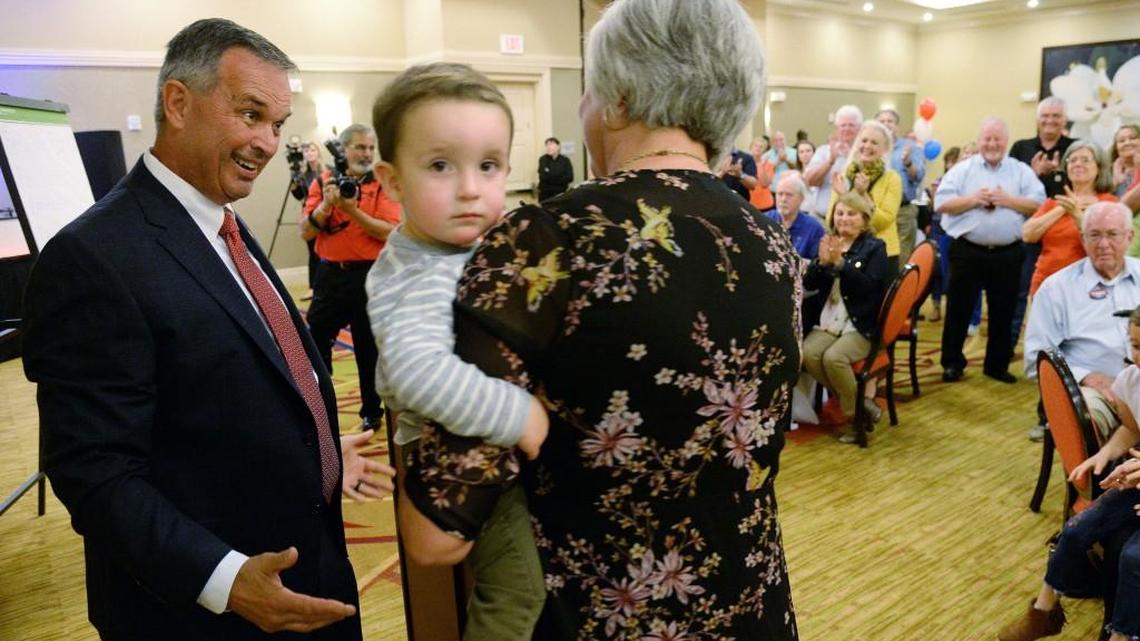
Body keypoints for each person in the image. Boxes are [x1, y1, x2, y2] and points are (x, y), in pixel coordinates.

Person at [398, 0, 800, 637]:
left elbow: (435, 534)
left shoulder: (545, 239)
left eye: (587, 92)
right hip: (747, 604)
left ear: (616, 100)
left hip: (599, 616)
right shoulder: (771, 240)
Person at [20, 18, 394, 640]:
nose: (269, 143)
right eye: (250, 115)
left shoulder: (220, 218)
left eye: (277, 124)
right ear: (178, 102)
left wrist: (319, 450)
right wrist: (222, 579)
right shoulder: (91, 259)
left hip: (306, 562)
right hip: (206, 611)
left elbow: (231, 379)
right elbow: (96, 474)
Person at [366, 62, 550, 640]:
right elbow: (418, 373)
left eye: (489, 166)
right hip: (453, 455)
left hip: (468, 448)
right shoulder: (426, 274)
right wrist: (517, 414)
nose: (471, 188)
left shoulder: (443, 249)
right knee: (518, 591)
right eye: (441, 166)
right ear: (392, 182)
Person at [998, 306, 1140, 641]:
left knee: (1134, 558)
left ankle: (1121, 636)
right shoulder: (1130, 380)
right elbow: (1131, 430)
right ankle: (1043, 612)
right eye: (1135, 345)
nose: (1139, 356)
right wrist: (1104, 454)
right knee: (1077, 530)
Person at [301, 124, 401, 432]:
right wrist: (328, 205)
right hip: (330, 274)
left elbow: (388, 230)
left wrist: (352, 210)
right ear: (343, 150)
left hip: (370, 277)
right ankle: (321, 400)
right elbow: (306, 231)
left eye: (370, 148)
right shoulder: (323, 181)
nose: (366, 154)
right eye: (360, 147)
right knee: (315, 337)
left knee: (367, 347)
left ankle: (372, 411)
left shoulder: (381, 184)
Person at [936, 117, 1045, 384]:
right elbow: (941, 202)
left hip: (1008, 252)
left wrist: (1008, 201)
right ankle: (952, 363)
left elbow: (1038, 203)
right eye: (987, 138)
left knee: (1003, 311)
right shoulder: (963, 170)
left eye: (998, 138)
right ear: (980, 140)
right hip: (967, 250)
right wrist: (974, 199)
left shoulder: (1020, 171)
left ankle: (996, 365)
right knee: (958, 310)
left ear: (1006, 141)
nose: (992, 143)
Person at [1023, 202, 1140, 442]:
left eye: (1112, 234)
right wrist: (1086, 376)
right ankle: (1099, 477)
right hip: (1095, 392)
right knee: (1086, 413)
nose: (1103, 244)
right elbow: (1036, 359)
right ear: (1083, 239)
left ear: (1130, 237)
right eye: (1094, 235)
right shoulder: (1057, 288)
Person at [800, 192, 889, 444]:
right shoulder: (830, 241)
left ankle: (853, 419)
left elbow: (869, 288)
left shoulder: (875, 247)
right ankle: (863, 406)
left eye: (851, 214)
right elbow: (809, 283)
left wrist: (840, 264)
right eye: (839, 213)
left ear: (864, 219)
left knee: (833, 358)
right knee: (807, 354)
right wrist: (821, 264)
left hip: (860, 324)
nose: (844, 218)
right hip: (830, 319)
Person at [1009, 97, 1076, 350]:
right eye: (1045, 116)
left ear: (1064, 120)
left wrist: (1060, 173)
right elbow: (1010, 189)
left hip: (1064, 234)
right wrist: (1033, 173)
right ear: (1038, 119)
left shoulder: (1075, 147)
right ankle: (1011, 348)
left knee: (1064, 295)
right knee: (1019, 292)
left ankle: (1065, 350)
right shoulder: (1021, 148)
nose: (1050, 121)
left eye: (1056, 116)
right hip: (1028, 231)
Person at [1022, 140, 1118, 297]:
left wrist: (1077, 214)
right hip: (1046, 283)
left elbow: (1104, 245)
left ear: (1099, 168)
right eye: (1072, 160)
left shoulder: (1108, 203)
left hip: (1089, 286)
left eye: (1086, 160)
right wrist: (1062, 208)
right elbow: (1028, 235)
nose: (1078, 164)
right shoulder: (1054, 201)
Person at [827, 120, 902, 278]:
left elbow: (882, 221)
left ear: (885, 149)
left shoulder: (892, 178)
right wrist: (843, 196)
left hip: (884, 254)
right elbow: (831, 221)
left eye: (874, 142)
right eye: (864, 140)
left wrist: (863, 194)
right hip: (848, 251)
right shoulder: (844, 176)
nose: (867, 146)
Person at [876, 108, 926, 262]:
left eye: (890, 121)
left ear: (896, 125)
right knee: (877, 257)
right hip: (878, 211)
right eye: (882, 121)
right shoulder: (872, 146)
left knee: (900, 259)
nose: (886, 124)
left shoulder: (910, 146)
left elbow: (918, 176)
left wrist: (908, 162)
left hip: (902, 212)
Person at [804, 104, 862, 218]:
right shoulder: (823, 151)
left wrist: (854, 158)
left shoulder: (865, 153)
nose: (846, 129)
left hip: (853, 220)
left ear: (859, 128)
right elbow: (809, 181)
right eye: (843, 125)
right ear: (837, 128)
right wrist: (830, 161)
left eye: (851, 125)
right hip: (822, 218)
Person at [290, 141, 327, 298]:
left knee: (327, 251)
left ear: (318, 152)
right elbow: (299, 196)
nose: (309, 153)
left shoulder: (327, 172)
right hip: (309, 216)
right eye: (306, 151)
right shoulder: (302, 175)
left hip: (326, 215)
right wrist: (294, 182)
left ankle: (328, 287)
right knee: (313, 253)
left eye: (312, 150)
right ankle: (313, 288)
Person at [767, 171, 824, 260]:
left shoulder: (814, 228)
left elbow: (817, 264)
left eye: (789, 195)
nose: (783, 199)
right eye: (780, 194)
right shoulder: (765, 220)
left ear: (801, 198)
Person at [537, 136, 574, 201]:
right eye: (547, 145)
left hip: (561, 193)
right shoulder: (543, 160)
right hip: (545, 194)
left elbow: (570, 178)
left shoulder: (565, 160)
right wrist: (559, 177)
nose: (548, 147)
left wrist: (550, 174)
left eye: (551, 144)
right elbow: (543, 177)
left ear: (558, 147)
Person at [749, 135, 775, 211]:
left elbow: (765, 184)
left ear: (764, 150)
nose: (758, 148)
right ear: (751, 147)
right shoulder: (745, 162)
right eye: (756, 145)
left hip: (765, 204)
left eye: (761, 147)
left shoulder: (768, 164)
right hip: (749, 203)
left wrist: (763, 166)